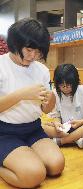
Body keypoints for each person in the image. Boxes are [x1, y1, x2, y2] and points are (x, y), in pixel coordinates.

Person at [0, 18, 64, 188]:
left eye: (38, 52)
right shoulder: (1, 66)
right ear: (14, 44)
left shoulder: (41, 70)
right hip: (4, 132)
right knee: (34, 175)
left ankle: (24, 154)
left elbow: (45, 109)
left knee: (56, 166)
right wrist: (21, 95)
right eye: (29, 50)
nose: (33, 56)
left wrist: (51, 100)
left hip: (33, 129)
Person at [42, 64, 83, 149]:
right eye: (62, 85)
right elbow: (56, 115)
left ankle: (62, 141)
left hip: (81, 126)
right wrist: (57, 123)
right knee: (42, 127)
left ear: (75, 82)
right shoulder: (55, 93)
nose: (65, 88)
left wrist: (81, 122)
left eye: (68, 85)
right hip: (64, 128)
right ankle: (75, 138)